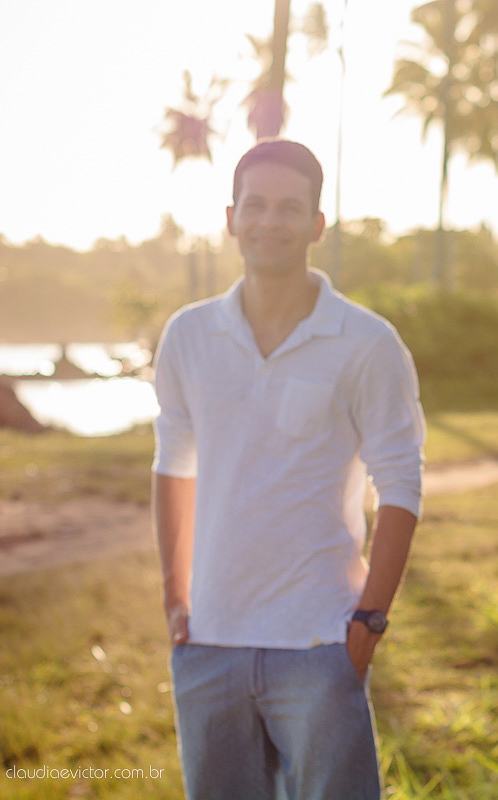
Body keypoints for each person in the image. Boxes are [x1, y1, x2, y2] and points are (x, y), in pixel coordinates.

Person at [151, 139, 424, 800]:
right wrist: (176, 597)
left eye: (289, 208)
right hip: (209, 642)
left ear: (316, 224)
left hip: (321, 642)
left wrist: (368, 622)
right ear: (231, 217)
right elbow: (174, 466)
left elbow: (401, 486)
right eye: (256, 205)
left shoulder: (368, 343)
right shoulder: (187, 336)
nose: (270, 220)